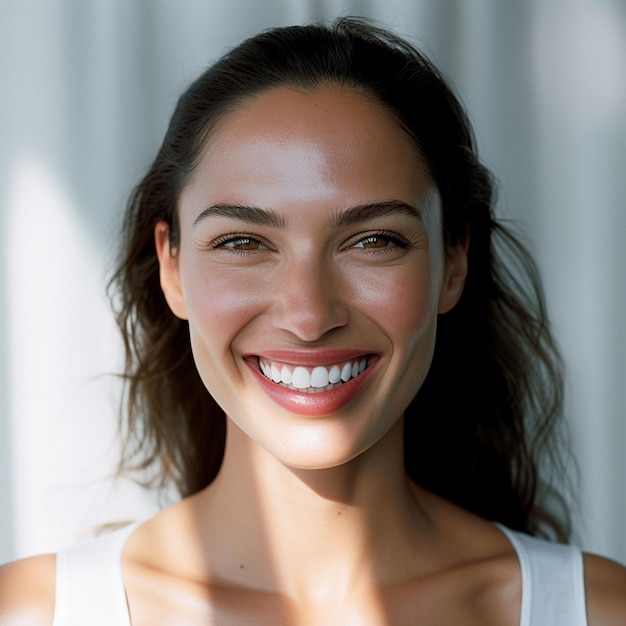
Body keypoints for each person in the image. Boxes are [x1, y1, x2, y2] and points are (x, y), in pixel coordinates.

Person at [1, 17, 625, 625]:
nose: (308, 315)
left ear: (453, 261)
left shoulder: (598, 610)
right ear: (172, 265)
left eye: (373, 240)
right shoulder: (32, 613)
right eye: (243, 243)